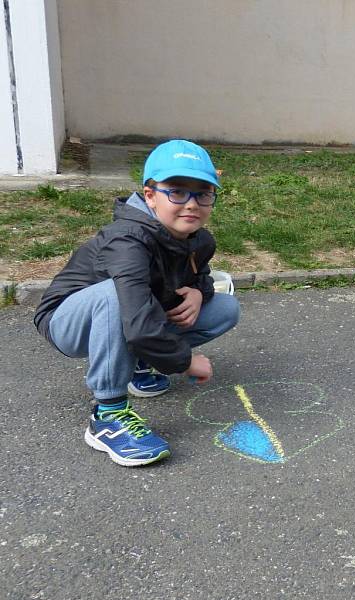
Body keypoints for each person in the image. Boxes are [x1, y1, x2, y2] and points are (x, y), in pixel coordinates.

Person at [34, 139, 240, 466]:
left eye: (202, 193)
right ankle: (108, 416)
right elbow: (133, 308)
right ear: (150, 195)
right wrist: (184, 361)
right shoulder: (127, 239)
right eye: (176, 191)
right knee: (116, 294)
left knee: (225, 308)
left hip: (132, 312)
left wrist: (201, 291)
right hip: (68, 321)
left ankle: (136, 364)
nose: (191, 203)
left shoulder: (200, 240)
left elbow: (198, 276)